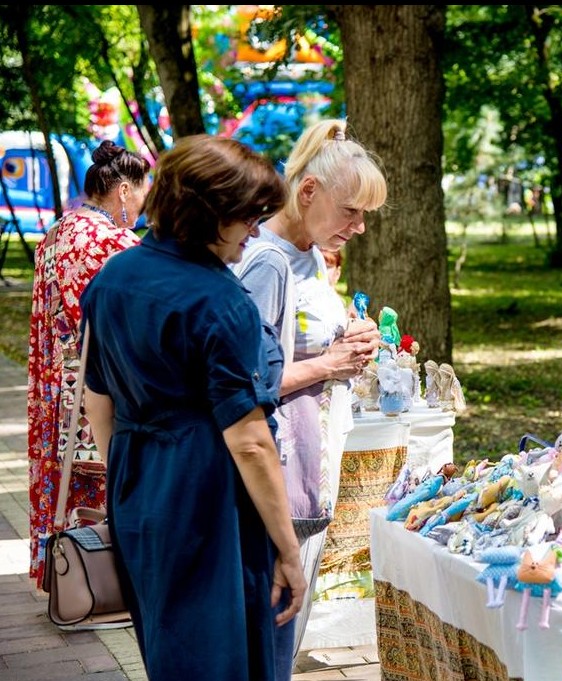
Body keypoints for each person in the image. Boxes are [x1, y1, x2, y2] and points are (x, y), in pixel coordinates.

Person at [79, 135, 307, 680]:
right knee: (226, 657)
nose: (254, 232)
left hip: (138, 485)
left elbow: (97, 398)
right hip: (211, 499)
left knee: (167, 649)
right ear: (211, 214)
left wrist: (128, 483)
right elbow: (249, 441)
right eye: (248, 218)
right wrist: (289, 550)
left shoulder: (113, 277)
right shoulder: (222, 302)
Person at [232, 118, 385, 667]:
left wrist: (350, 333)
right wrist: (332, 361)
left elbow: (299, 342)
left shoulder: (310, 253)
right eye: (352, 212)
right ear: (309, 192)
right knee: (274, 635)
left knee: (287, 633)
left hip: (311, 464)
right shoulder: (266, 262)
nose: (360, 227)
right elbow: (242, 385)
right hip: (283, 471)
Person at [26, 139, 150, 590]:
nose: (140, 206)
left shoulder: (60, 232)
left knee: (66, 493)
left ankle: (67, 578)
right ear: (122, 191)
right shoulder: (112, 241)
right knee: (107, 491)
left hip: (58, 387)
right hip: (100, 391)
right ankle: (106, 585)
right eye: (141, 194)